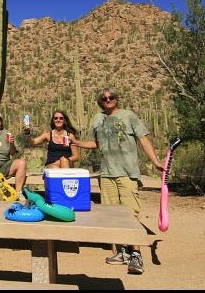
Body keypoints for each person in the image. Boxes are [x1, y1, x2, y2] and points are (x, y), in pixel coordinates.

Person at [69, 87, 164, 275]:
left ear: (116, 99)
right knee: (111, 214)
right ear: (100, 102)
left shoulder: (129, 116)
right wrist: (77, 142)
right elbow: (96, 143)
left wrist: (155, 161)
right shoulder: (97, 119)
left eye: (111, 97)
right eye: (104, 98)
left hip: (127, 172)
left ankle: (136, 255)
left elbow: (143, 139)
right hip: (107, 173)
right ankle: (122, 252)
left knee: (131, 213)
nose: (108, 100)